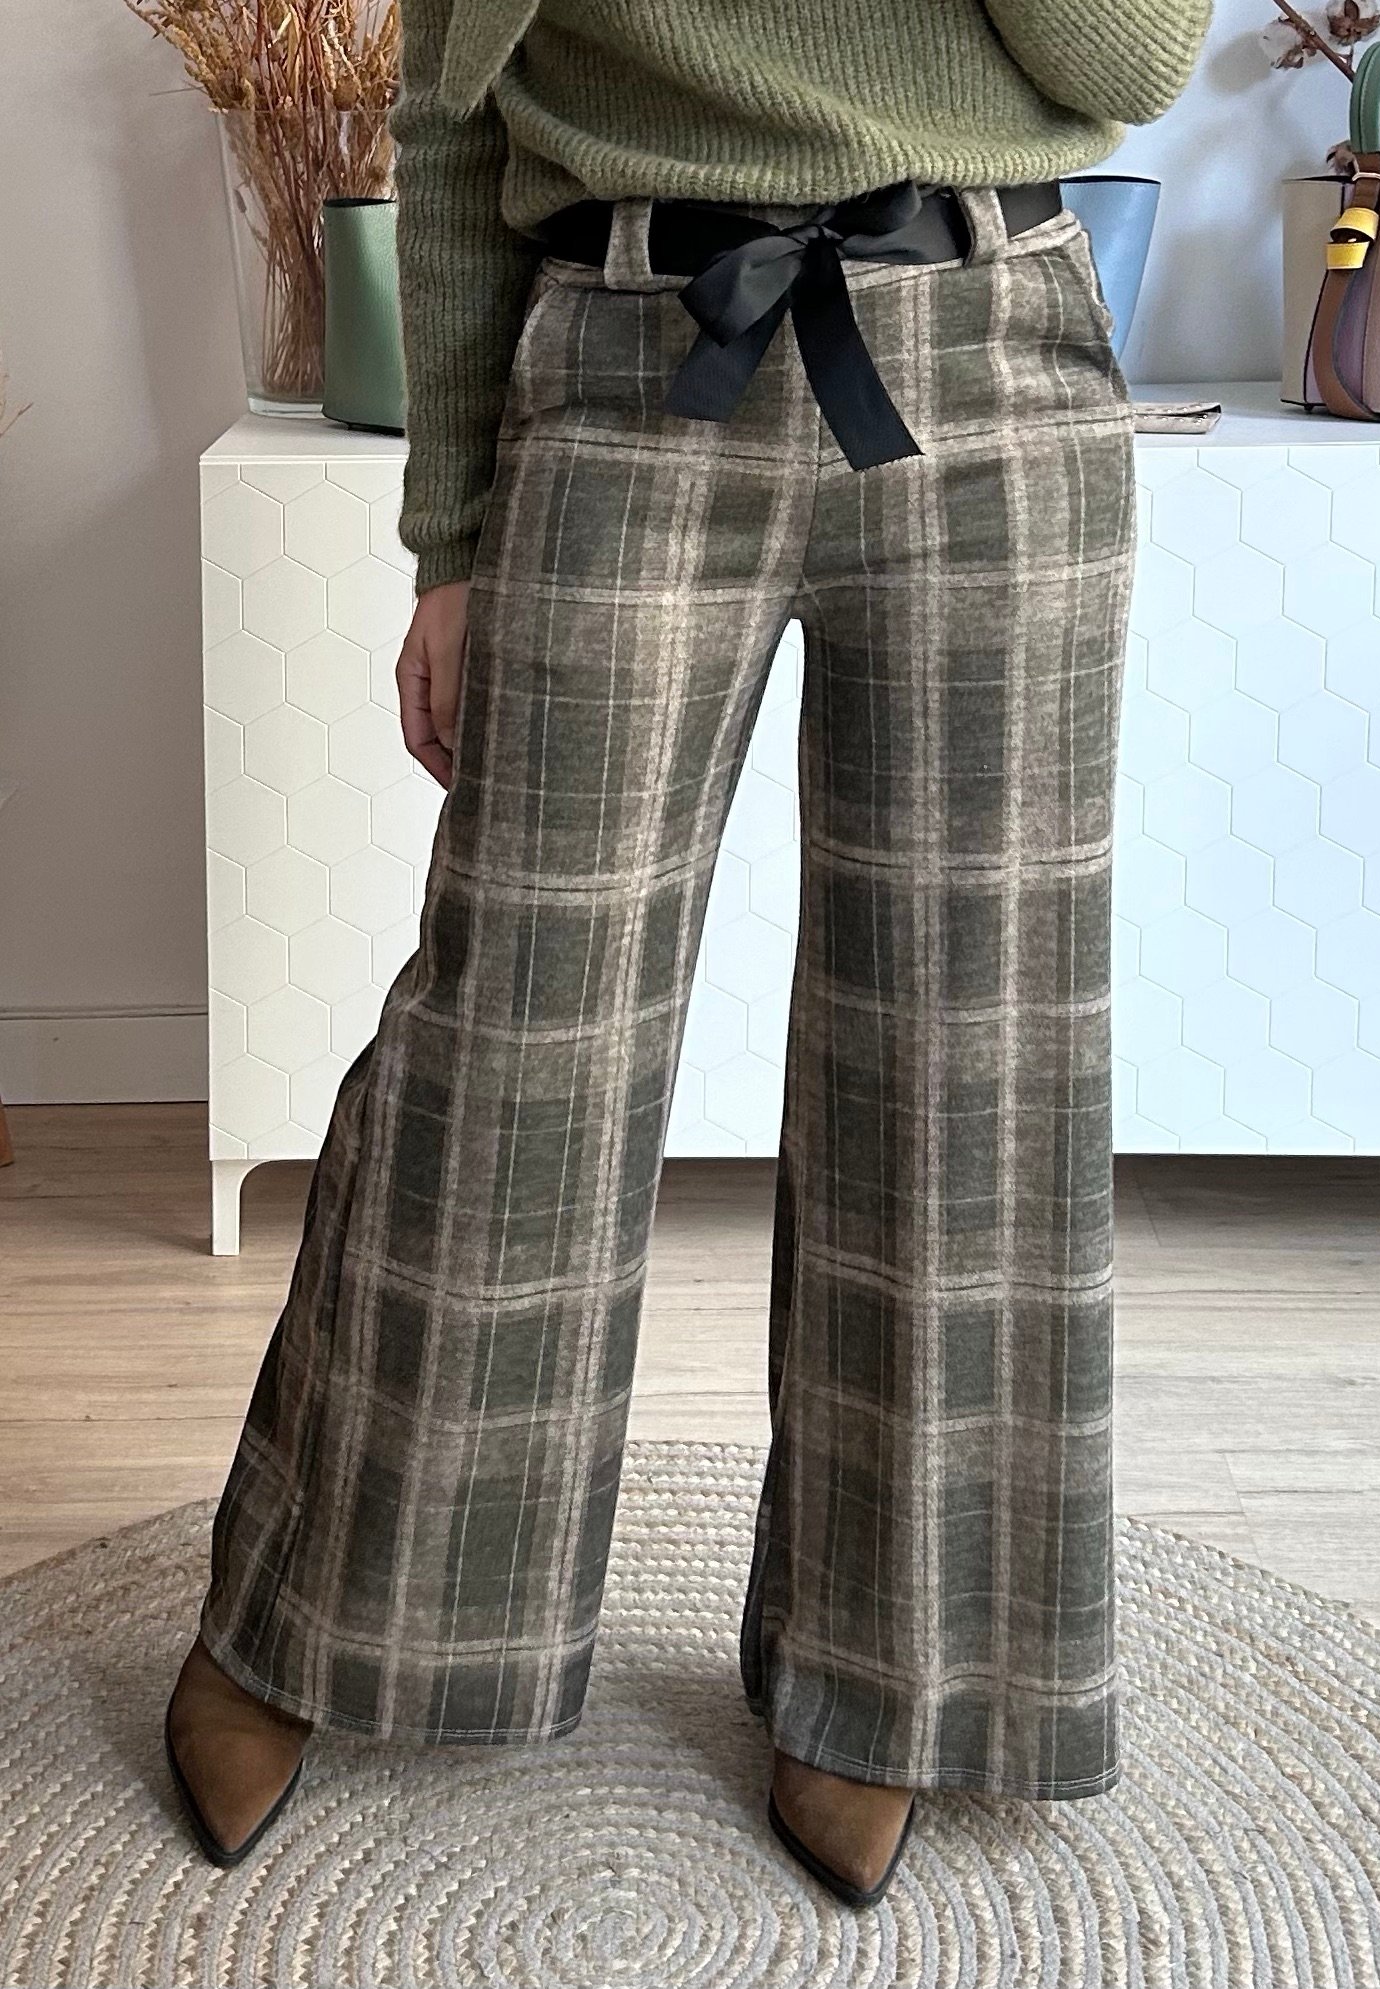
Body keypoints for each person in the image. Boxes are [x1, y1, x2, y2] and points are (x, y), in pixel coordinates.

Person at [165, 0, 1211, 1907]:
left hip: (993, 363)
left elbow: (1127, 59)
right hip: (630, 357)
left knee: (967, 1046)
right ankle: (317, 1611)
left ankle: (892, 1679)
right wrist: (450, 540)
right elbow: (453, 127)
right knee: (517, 1032)